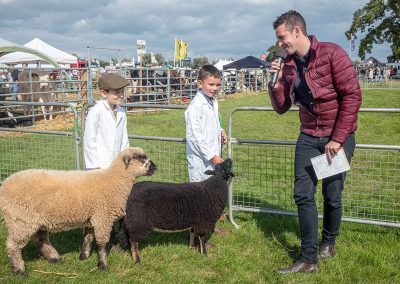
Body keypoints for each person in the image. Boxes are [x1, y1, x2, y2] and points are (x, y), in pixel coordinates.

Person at [268, 10, 362, 273]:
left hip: (337, 138)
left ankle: (329, 241)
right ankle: (309, 259)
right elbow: (282, 107)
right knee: (302, 195)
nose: (279, 43)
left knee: (332, 195)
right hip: (309, 136)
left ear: (297, 31)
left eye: (281, 37)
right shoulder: (286, 66)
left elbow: (352, 96)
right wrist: (273, 85)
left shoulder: (332, 53)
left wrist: (338, 139)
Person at [185, 64, 227, 182]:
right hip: (200, 161)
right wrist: (211, 156)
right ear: (200, 83)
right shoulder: (195, 107)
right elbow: (194, 136)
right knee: (199, 195)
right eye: (211, 84)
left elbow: (211, 122)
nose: (215, 88)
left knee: (212, 194)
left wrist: (220, 130)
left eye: (218, 85)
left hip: (213, 156)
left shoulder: (213, 101)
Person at [83, 73, 130, 170]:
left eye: (122, 92)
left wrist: (125, 160)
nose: (121, 95)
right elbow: (89, 141)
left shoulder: (121, 112)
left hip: (116, 164)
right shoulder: (96, 112)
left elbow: (124, 140)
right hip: (100, 166)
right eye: (117, 93)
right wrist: (94, 167)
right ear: (104, 93)